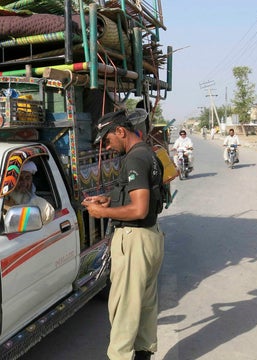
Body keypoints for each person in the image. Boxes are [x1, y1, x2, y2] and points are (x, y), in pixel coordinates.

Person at [82, 110, 164, 360]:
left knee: (124, 312)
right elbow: (140, 195)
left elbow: (139, 209)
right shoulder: (148, 153)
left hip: (134, 240)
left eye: (107, 140)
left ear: (120, 131)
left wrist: (101, 212)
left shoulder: (134, 159)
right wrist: (109, 199)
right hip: (150, 237)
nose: (107, 146)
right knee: (145, 309)